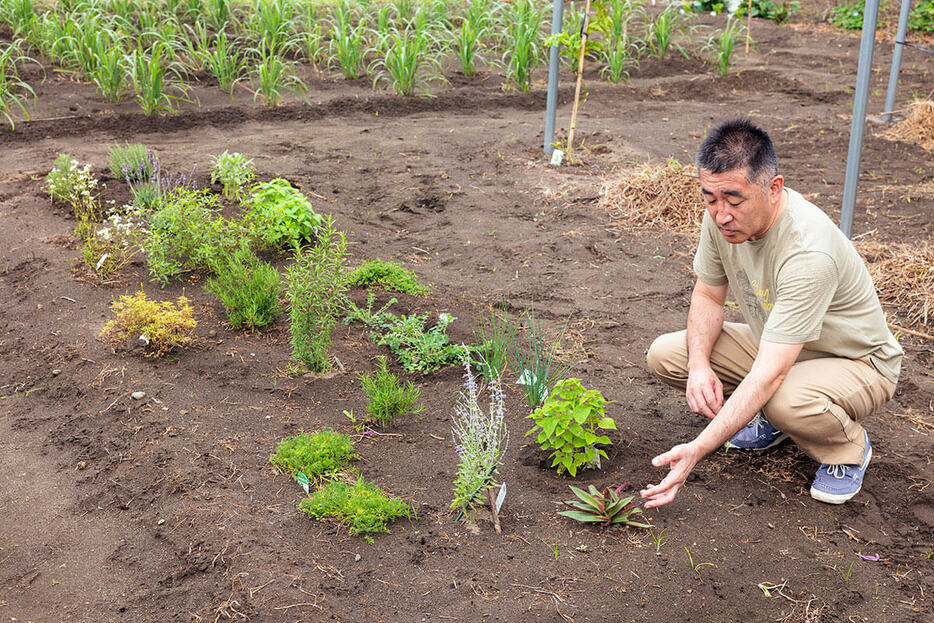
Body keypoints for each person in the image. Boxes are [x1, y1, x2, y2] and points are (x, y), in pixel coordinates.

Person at [640, 118, 902, 509]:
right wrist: (698, 366)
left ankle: (847, 448)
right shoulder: (720, 221)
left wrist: (699, 447)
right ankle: (772, 422)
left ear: (773, 188)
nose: (721, 214)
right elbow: (709, 297)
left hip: (856, 361)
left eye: (734, 199)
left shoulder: (808, 252)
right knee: (668, 355)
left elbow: (773, 373)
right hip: (779, 344)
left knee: (785, 398)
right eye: (710, 199)